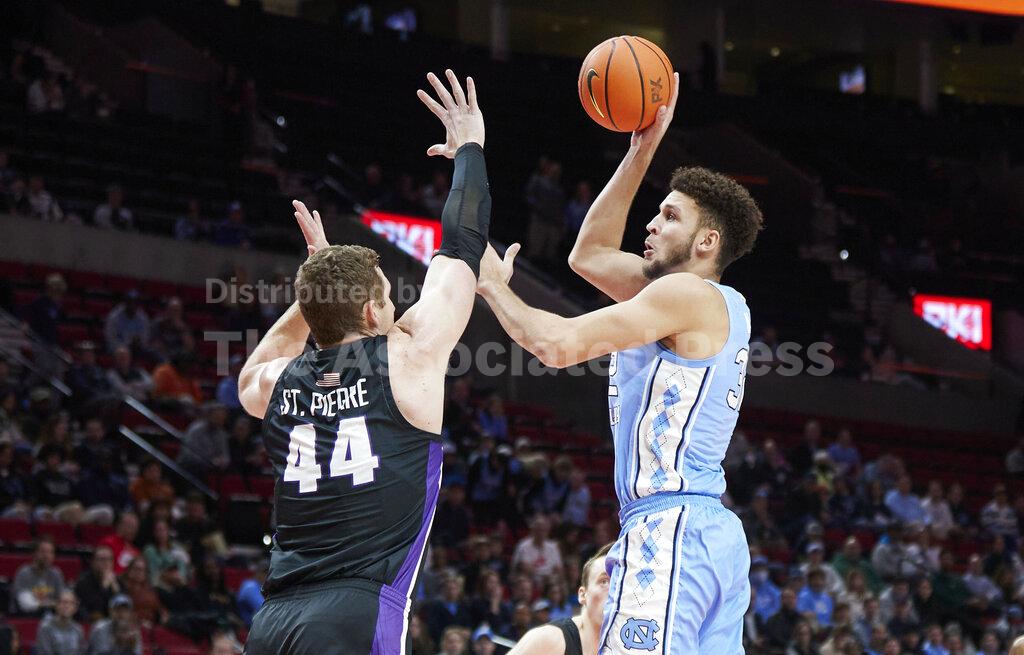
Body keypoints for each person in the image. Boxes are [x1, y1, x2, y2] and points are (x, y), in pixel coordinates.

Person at [476, 73, 762, 655]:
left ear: (707, 242)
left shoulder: (681, 294)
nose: (651, 224)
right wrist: (640, 150)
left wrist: (493, 288)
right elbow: (589, 255)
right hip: (712, 534)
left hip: (670, 527)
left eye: (670, 216)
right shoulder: (714, 302)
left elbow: (555, 345)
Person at [240, 69, 490, 655]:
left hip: (274, 624)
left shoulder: (278, 383)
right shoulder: (410, 357)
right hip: (356, 611)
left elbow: (253, 370)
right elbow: (461, 246)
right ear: (374, 311)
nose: (396, 303)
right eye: (387, 294)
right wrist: (471, 151)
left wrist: (316, 289)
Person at [509, 543, 612, 655]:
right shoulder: (549, 640)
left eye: (622, 584)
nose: (614, 591)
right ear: (583, 594)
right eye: (604, 581)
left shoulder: (623, 646)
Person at [11, 536, 65, 615]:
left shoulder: (56, 574)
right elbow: (24, 603)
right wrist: (49, 603)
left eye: (50, 552)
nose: (46, 556)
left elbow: (62, 600)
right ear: (34, 553)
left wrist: (40, 603)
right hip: (26, 617)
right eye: (43, 551)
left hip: (51, 616)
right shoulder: (24, 573)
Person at [75, 545, 121, 621]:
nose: (106, 563)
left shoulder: (118, 580)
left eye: (109, 559)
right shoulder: (83, 581)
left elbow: (124, 607)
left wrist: (116, 588)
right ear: (93, 562)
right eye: (102, 559)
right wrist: (104, 587)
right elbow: (94, 609)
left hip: (114, 622)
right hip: (90, 622)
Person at [35, 589, 86, 655]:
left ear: (75, 608)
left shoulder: (78, 629)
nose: (67, 606)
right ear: (56, 605)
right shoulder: (46, 628)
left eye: (71, 603)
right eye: (64, 602)